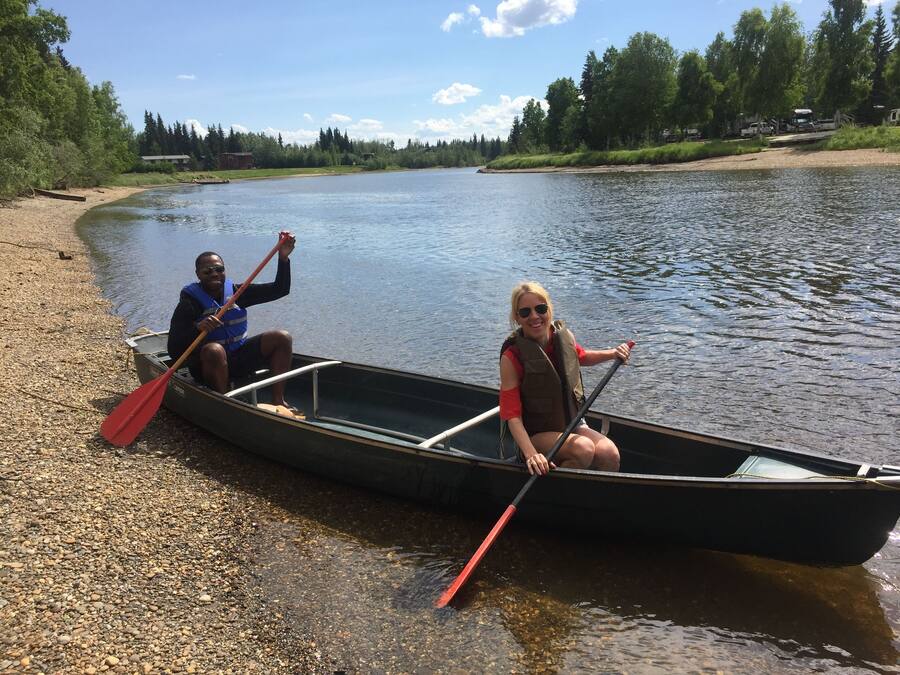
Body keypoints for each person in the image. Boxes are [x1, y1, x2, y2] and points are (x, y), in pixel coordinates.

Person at [499, 281, 631, 476]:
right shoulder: (511, 357)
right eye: (525, 312)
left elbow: (581, 357)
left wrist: (613, 353)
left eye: (540, 309)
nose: (534, 316)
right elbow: (512, 415)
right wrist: (531, 454)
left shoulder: (561, 338)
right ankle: (555, 495)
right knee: (583, 449)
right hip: (534, 435)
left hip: (571, 422)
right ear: (517, 318)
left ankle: (592, 498)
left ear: (549, 310)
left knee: (609, 453)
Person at [167, 232, 297, 407]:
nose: (215, 274)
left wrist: (283, 258)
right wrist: (198, 328)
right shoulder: (189, 304)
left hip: (238, 358)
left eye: (219, 269)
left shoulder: (237, 293)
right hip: (208, 365)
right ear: (198, 274)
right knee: (214, 350)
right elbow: (174, 349)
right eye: (208, 271)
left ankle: (278, 400)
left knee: (282, 337)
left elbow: (279, 290)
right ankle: (225, 403)